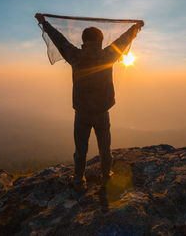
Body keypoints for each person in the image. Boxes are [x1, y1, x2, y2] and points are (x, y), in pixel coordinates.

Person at [35, 13, 144, 192]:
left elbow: (59, 40)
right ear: (100, 41)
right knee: (105, 149)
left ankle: (78, 181)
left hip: (82, 113)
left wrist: (44, 24)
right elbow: (122, 41)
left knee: (80, 150)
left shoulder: (75, 55)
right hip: (102, 112)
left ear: (84, 40)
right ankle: (106, 177)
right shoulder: (107, 55)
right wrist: (135, 28)